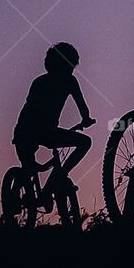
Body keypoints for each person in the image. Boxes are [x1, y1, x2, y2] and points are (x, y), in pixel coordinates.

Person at [13, 42, 94, 203]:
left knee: (28, 168)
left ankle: (19, 191)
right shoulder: (70, 82)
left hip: (25, 132)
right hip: (40, 132)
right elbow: (83, 108)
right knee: (84, 142)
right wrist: (86, 120)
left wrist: (85, 117)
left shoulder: (40, 82)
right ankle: (59, 176)